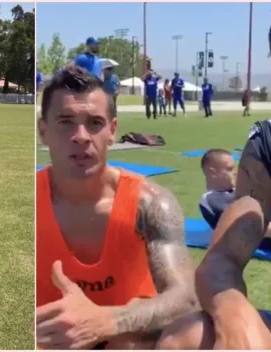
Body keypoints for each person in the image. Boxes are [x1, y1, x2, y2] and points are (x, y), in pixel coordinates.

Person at [36, 65, 198, 350]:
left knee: (192, 336)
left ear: (112, 131)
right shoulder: (30, 200)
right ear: (43, 131)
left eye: (95, 123)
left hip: (128, 339)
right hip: (52, 341)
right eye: (66, 122)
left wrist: (106, 322)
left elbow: (186, 299)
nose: (81, 136)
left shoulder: (149, 204)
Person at [157, 120, 271, 349]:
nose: (234, 174)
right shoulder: (267, 143)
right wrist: (238, 321)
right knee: (185, 336)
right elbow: (219, 264)